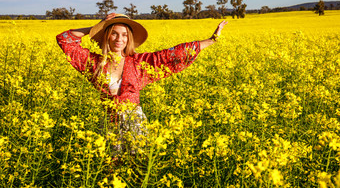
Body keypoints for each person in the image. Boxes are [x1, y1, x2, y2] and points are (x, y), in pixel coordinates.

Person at [56, 13, 228, 154]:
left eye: (124, 35)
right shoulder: (94, 63)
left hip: (135, 122)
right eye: (114, 33)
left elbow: (172, 54)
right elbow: (64, 40)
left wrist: (211, 40)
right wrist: (96, 27)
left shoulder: (139, 62)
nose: (119, 39)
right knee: (111, 169)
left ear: (129, 39)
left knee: (138, 167)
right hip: (108, 123)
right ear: (106, 36)